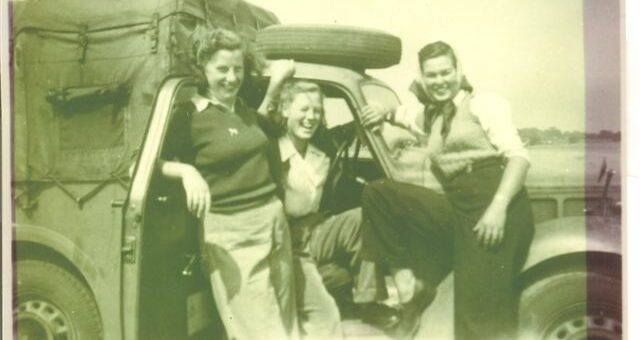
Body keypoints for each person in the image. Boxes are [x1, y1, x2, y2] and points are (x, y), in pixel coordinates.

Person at [359, 41, 535, 339]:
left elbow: (518, 157)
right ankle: (408, 289)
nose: (439, 81)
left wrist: (497, 208)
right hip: (458, 207)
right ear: (422, 79)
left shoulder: (482, 103)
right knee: (378, 194)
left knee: (476, 315)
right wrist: (381, 110)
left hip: (493, 207)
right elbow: (399, 114)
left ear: (458, 71)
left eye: (445, 73)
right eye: (431, 75)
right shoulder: (432, 115)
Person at [160, 29, 298, 340]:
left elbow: (256, 128)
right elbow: (145, 163)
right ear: (203, 69)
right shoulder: (189, 116)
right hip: (231, 233)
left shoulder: (243, 108)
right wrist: (186, 172)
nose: (232, 78)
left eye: (238, 69)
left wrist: (275, 84)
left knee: (286, 321)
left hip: (273, 222)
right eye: (222, 69)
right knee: (263, 331)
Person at [265, 78, 398, 337]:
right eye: (303, 109)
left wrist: (382, 109)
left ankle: (367, 301)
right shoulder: (271, 151)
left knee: (365, 216)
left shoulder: (324, 145)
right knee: (324, 317)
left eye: (316, 110)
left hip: (318, 228)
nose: (310, 117)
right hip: (286, 240)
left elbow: (358, 125)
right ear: (285, 110)